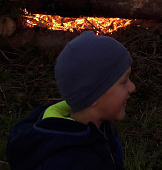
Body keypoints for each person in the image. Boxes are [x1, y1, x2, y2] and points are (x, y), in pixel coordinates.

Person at [6, 31, 135, 170]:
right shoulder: (67, 161)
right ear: (93, 96)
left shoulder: (101, 126)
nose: (132, 87)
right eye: (123, 82)